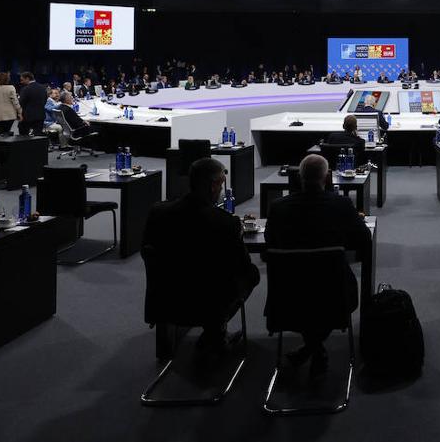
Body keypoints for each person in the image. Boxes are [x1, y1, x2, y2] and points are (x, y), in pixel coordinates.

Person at [264, 154, 371, 377]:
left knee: (305, 297)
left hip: (287, 295)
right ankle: (314, 347)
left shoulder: (278, 207)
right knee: (324, 292)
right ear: (327, 177)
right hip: (334, 294)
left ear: (299, 177)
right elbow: (362, 239)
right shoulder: (341, 204)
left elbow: (269, 241)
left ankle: (310, 347)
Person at [142, 157, 260, 357]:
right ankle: (217, 331)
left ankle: (208, 334)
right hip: (208, 302)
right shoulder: (225, 222)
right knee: (252, 275)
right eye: (222, 184)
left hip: (165, 300)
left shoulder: (158, 212)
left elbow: (147, 252)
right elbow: (243, 266)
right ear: (214, 186)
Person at [17, 72, 49, 136]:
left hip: (27, 117)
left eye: (22, 80)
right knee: (38, 137)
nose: (21, 82)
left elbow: (21, 103)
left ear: (27, 78)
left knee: (23, 136)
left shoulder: (25, 89)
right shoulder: (43, 88)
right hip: (40, 115)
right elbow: (45, 100)